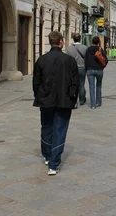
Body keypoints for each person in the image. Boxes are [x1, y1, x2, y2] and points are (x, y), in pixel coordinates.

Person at [33, 31, 78, 176]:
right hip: (64, 100)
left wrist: (39, 95)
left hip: (45, 100)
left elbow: (36, 82)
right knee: (60, 130)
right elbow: (75, 83)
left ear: (50, 41)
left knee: (46, 127)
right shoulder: (70, 61)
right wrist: (73, 98)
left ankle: (47, 156)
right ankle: (53, 163)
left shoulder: (41, 60)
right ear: (61, 42)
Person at [85, 36, 108, 109]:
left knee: (91, 87)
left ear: (92, 41)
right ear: (98, 42)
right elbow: (106, 60)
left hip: (90, 70)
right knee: (98, 85)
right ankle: (98, 102)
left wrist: (87, 69)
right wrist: (102, 67)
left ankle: (92, 105)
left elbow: (85, 60)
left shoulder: (88, 49)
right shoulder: (100, 49)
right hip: (99, 70)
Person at [67, 33, 88, 108]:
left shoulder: (69, 48)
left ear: (73, 39)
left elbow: (68, 59)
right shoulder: (85, 47)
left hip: (73, 69)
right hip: (82, 67)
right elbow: (86, 58)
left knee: (74, 85)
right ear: (80, 39)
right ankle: (82, 100)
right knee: (81, 84)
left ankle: (74, 102)